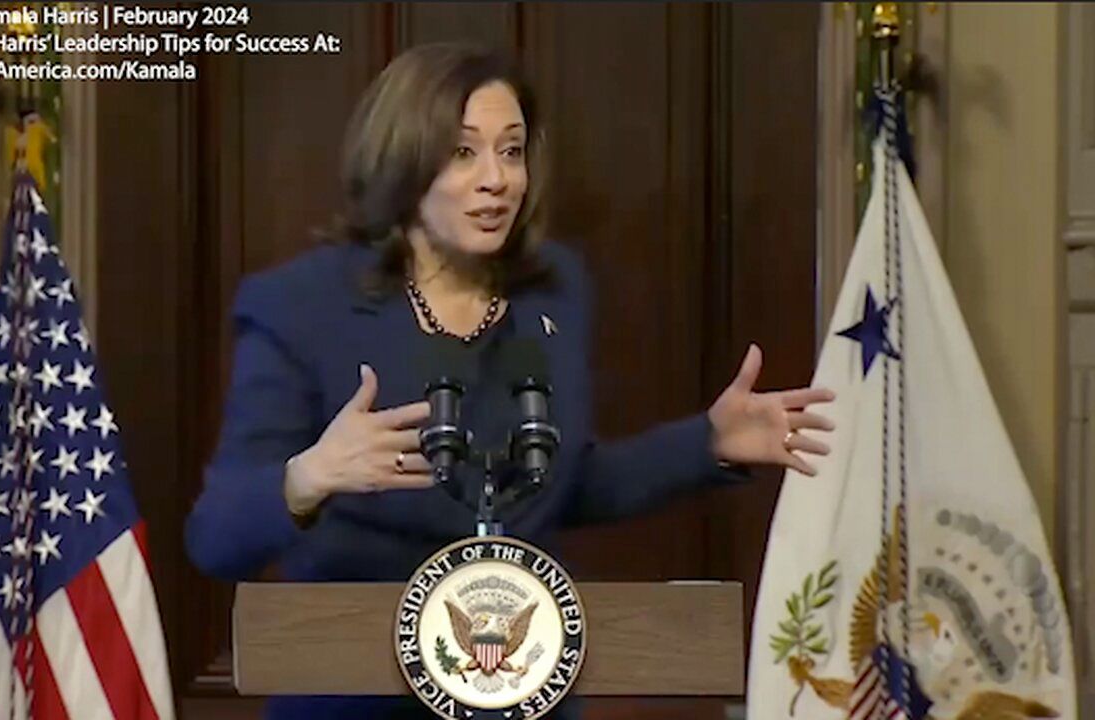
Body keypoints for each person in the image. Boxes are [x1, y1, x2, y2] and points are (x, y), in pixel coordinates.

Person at [185, 42, 835, 719]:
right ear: (403, 160)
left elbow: (556, 485)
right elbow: (215, 539)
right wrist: (309, 477)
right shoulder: (300, 306)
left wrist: (707, 443)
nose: (496, 179)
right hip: (356, 701)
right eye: (463, 152)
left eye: (512, 151)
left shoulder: (552, 290)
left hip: (525, 693)